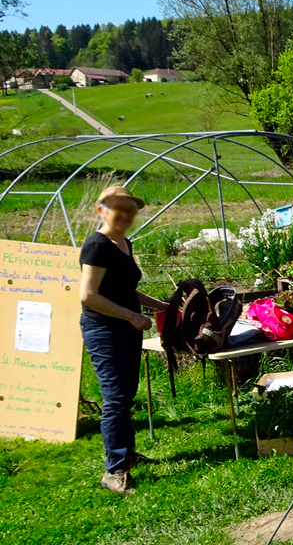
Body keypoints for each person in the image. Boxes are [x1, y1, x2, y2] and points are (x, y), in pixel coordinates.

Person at [78, 186, 168, 495]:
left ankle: (127, 453)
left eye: (130, 209)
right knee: (115, 398)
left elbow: (126, 290)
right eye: (118, 208)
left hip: (127, 328)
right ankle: (114, 470)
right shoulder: (97, 246)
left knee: (126, 395)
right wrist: (131, 316)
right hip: (104, 330)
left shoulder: (123, 243)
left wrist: (162, 307)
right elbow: (89, 296)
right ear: (101, 210)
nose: (126, 215)